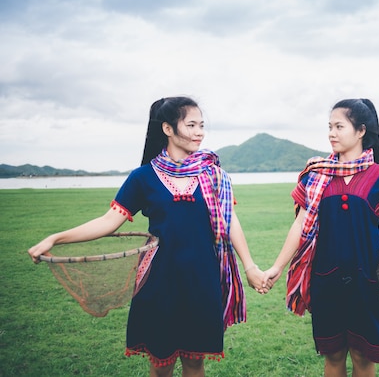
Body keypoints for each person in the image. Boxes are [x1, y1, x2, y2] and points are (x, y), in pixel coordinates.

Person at [28, 96, 266, 377]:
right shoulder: (143, 177)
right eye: (191, 125)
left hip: (202, 279)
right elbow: (108, 222)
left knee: (195, 363)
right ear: (168, 128)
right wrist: (56, 238)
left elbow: (230, 221)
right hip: (159, 282)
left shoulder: (214, 175)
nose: (199, 132)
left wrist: (250, 266)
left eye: (201, 125)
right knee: (160, 364)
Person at [264, 98, 379, 377]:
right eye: (329, 126)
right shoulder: (317, 175)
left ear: (361, 130)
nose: (332, 133)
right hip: (325, 280)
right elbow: (300, 225)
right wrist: (277, 268)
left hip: (368, 282)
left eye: (339, 126)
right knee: (334, 357)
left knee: (364, 358)